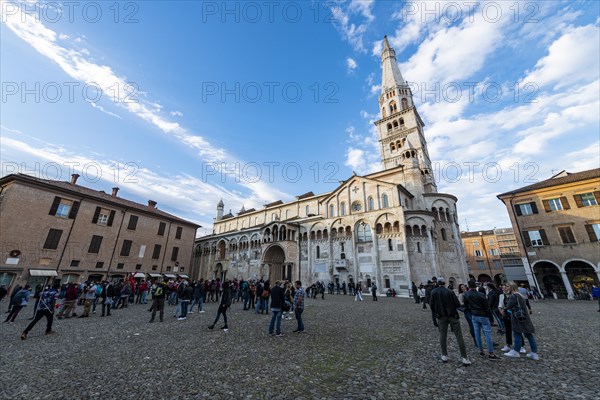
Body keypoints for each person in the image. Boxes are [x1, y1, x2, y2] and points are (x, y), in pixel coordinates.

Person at [429, 278, 471, 366]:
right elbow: (457, 304)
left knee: (442, 336)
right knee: (459, 336)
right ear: (445, 283)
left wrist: (436, 314)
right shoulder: (450, 292)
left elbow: (432, 305)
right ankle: (464, 358)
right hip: (452, 316)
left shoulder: (433, 292)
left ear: (437, 283)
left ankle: (444, 355)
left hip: (441, 317)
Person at [464, 281, 500, 360]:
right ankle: (491, 353)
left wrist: (472, 312)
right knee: (487, 334)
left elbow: (466, 307)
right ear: (475, 286)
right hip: (483, 315)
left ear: (469, 286)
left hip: (474, 315)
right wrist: (491, 318)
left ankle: (480, 350)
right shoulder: (481, 295)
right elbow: (487, 308)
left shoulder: (466, 294)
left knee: (477, 333)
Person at [503, 282, 539, 360]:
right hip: (525, 317)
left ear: (512, 287)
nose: (506, 288)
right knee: (529, 335)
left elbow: (508, 306)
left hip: (517, 318)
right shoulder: (520, 295)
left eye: (507, 286)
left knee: (517, 334)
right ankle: (534, 353)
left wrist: (504, 308)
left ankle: (516, 351)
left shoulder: (513, 296)